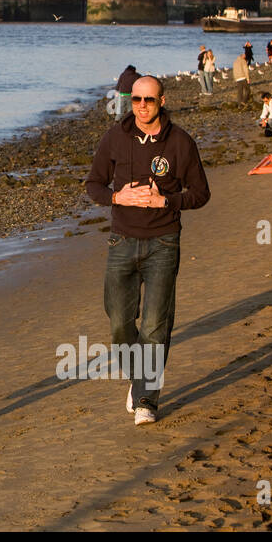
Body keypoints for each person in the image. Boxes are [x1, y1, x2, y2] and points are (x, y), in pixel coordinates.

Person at [85, 76, 210, 425]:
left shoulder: (181, 143)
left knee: (155, 325)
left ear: (162, 101)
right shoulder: (115, 137)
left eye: (149, 100)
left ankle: (146, 399)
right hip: (121, 241)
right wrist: (116, 197)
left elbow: (200, 193)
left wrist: (165, 200)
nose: (142, 106)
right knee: (119, 324)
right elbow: (93, 183)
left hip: (163, 243)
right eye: (137, 99)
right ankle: (137, 377)